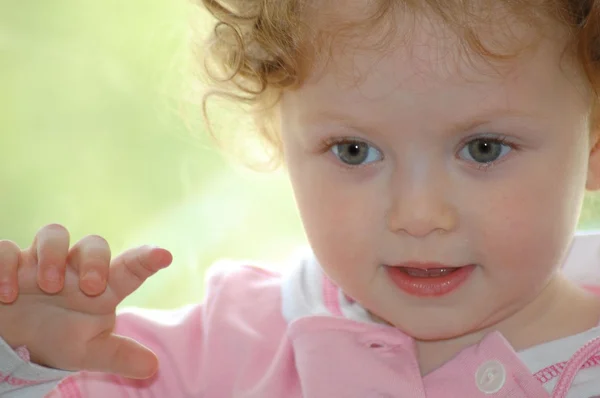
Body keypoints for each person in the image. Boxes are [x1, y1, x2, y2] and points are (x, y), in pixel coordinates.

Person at [2, 0, 600, 396]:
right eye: (354, 151)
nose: (418, 216)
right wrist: (35, 361)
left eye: (485, 149)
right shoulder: (229, 346)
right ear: (280, 139)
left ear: (594, 145)